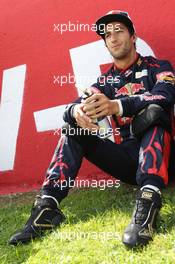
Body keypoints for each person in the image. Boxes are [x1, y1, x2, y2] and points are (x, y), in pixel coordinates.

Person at [9, 10, 175, 248]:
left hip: (166, 158)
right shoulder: (105, 82)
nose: (114, 38)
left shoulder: (158, 66)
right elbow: (76, 104)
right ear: (106, 43)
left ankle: (147, 207)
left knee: (154, 113)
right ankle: (47, 208)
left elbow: (165, 95)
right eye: (108, 35)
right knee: (73, 128)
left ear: (133, 36)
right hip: (129, 162)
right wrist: (75, 112)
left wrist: (117, 106)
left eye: (119, 31)